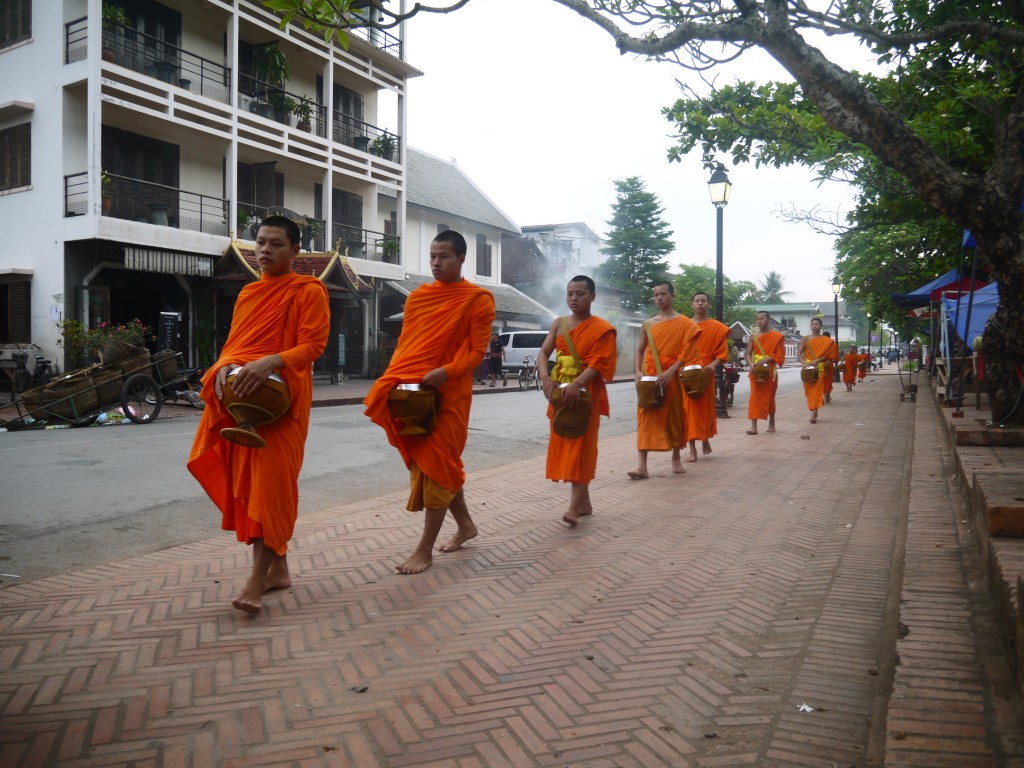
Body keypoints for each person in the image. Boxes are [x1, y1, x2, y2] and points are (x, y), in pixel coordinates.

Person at [188, 215, 330, 614]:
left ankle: (255, 582)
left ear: (295, 251)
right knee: (251, 486)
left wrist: (271, 362)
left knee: (271, 488)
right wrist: (224, 371)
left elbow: (314, 346)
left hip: (283, 404)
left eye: (276, 244)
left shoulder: (309, 290)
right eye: (261, 243)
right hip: (244, 401)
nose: (265, 250)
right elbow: (234, 347)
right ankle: (277, 571)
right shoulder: (249, 294)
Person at [364, 230, 495, 574]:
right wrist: (394, 379)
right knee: (441, 466)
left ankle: (424, 550)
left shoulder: (478, 299)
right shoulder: (418, 297)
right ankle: (466, 525)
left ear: (462, 259)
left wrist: (446, 372)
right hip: (414, 393)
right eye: (433, 256)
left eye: (444, 257)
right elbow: (407, 345)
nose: (436, 263)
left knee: (438, 465)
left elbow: (477, 353)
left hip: (449, 395)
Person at [539, 275, 617, 526]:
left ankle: (574, 506)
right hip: (561, 394)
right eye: (570, 293)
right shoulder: (559, 324)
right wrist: (544, 378)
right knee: (566, 444)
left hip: (586, 396)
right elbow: (543, 352)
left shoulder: (602, 328)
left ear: (592, 297)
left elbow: (600, 363)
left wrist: (577, 383)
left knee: (582, 447)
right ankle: (584, 503)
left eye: (580, 293)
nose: (574, 298)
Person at [627, 281, 701, 478]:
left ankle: (676, 458)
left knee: (674, 417)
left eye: (663, 294)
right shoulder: (648, 324)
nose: (659, 298)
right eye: (656, 295)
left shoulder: (685, 322)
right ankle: (642, 466)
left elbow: (688, 351)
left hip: (672, 376)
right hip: (650, 377)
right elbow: (640, 350)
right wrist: (637, 372)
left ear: (672, 296)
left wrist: (672, 371)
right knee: (645, 419)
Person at [684, 291, 730, 462]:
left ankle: (704, 438)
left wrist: (712, 364)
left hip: (706, 373)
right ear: (692, 304)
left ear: (709, 304)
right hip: (688, 372)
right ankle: (692, 449)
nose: (700, 303)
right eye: (697, 301)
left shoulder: (717, 327)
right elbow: (678, 350)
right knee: (688, 410)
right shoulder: (685, 325)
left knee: (704, 409)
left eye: (703, 301)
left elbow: (722, 353)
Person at [744, 310, 786, 435]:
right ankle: (753, 426)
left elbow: (780, 355)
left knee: (770, 397)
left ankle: (772, 421)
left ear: (768, 320)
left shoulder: (777, 337)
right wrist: (751, 365)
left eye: (762, 319)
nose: (759, 321)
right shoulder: (753, 336)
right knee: (754, 398)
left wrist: (768, 358)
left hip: (770, 371)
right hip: (756, 371)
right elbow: (747, 354)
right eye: (757, 319)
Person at [797, 317, 835, 423]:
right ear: (810, 326)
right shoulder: (805, 339)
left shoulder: (826, 341)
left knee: (817, 391)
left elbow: (828, 356)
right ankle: (814, 408)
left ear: (820, 326)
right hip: (807, 369)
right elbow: (799, 353)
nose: (814, 326)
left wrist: (817, 360)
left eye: (816, 324)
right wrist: (803, 363)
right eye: (812, 324)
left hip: (819, 368)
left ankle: (814, 413)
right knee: (808, 391)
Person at [821, 330, 838, 404]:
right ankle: (826, 395)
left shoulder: (832, 344)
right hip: (826, 365)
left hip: (822, 365)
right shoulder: (833, 344)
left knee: (822, 382)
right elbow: (835, 357)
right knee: (826, 382)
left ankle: (824, 397)